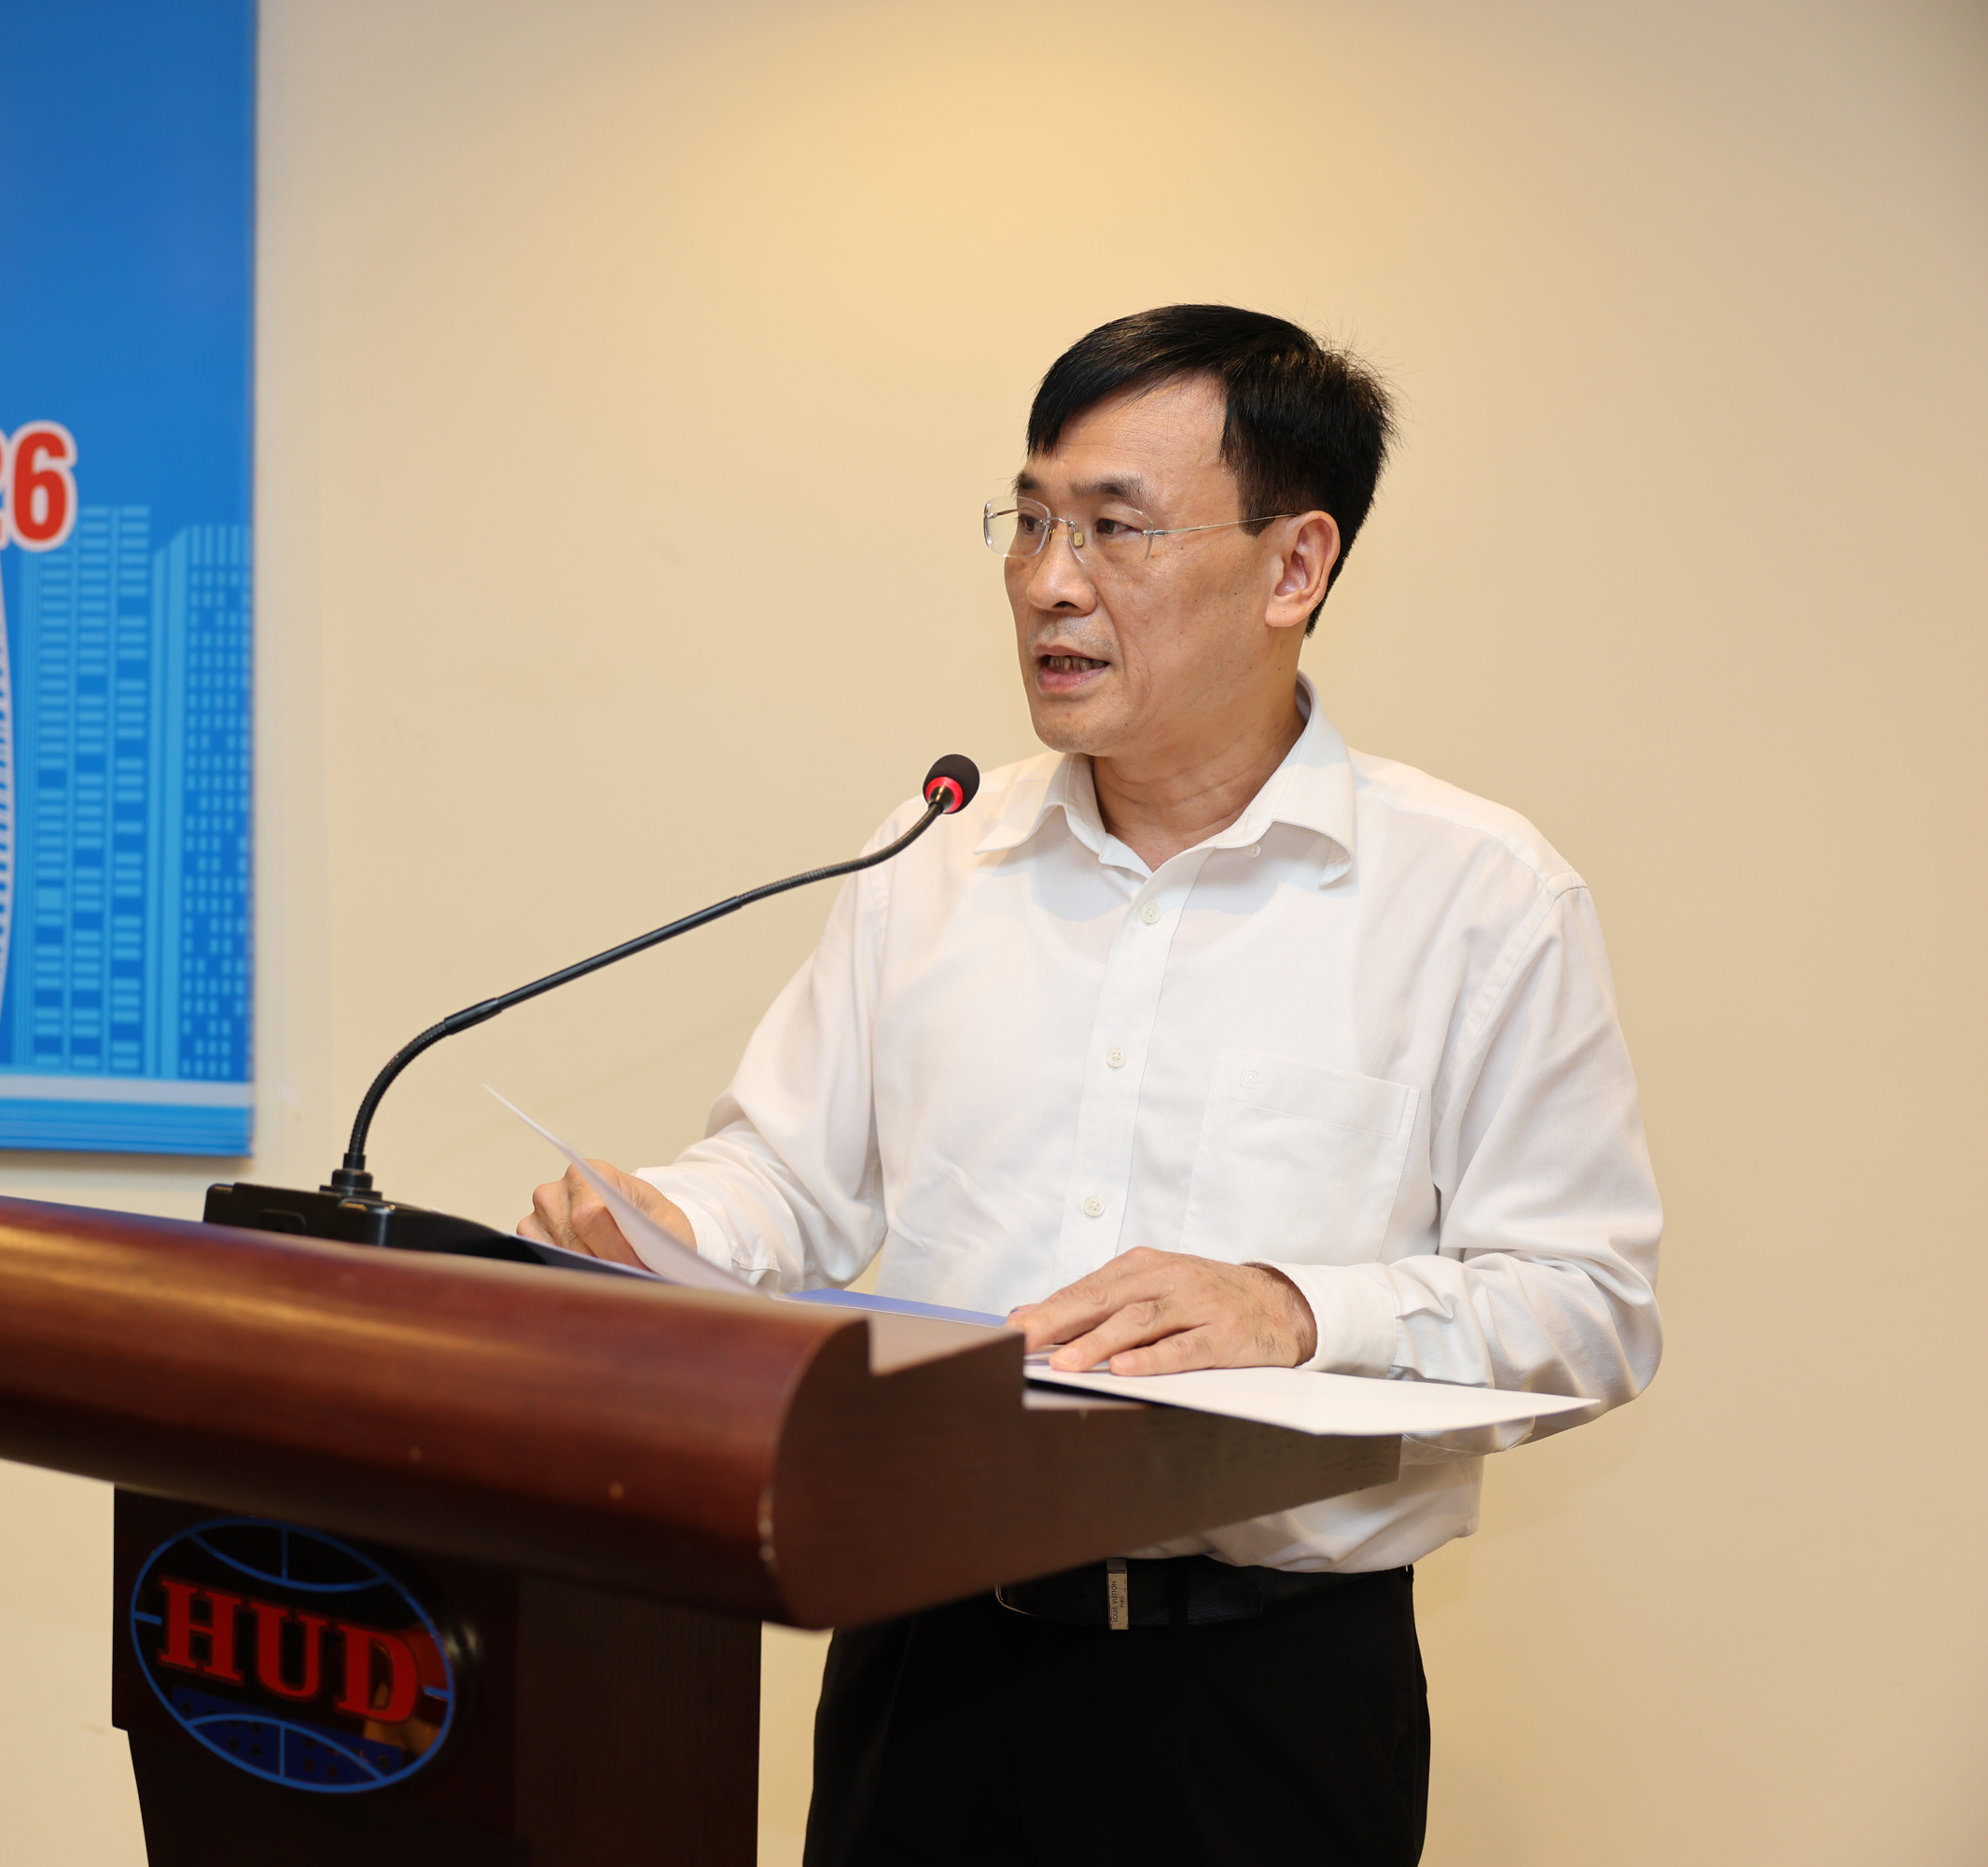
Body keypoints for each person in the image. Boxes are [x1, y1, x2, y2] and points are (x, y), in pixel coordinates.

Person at [519, 304, 1663, 1865]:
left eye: (1116, 528)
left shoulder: (1478, 899)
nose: (1050, 581)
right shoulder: (937, 854)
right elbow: (785, 1178)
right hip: (925, 1659)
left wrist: (1299, 1310)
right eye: (1032, 519)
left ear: (1295, 566)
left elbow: (1591, 1305)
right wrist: (664, 1222)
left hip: (1263, 1700)